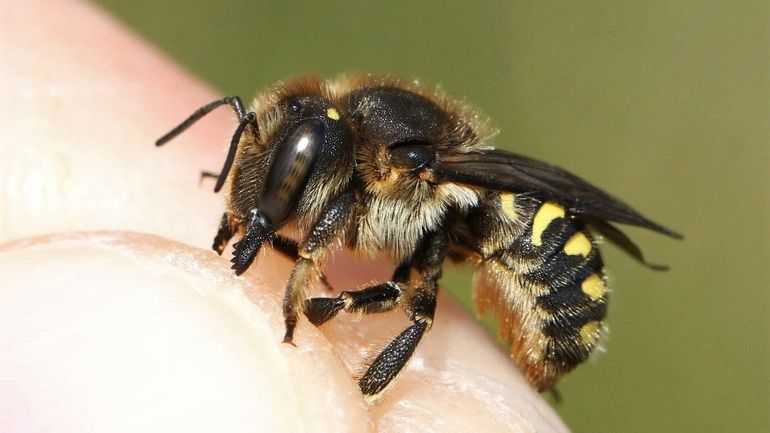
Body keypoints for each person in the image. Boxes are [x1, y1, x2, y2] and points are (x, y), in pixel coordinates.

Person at [0, 1, 568, 431]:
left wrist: (305, 279)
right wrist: (248, 210)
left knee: (416, 307)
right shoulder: (343, 146)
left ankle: (369, 395)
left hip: (545, 258)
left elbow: (338, 214)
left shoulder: (399, 161)